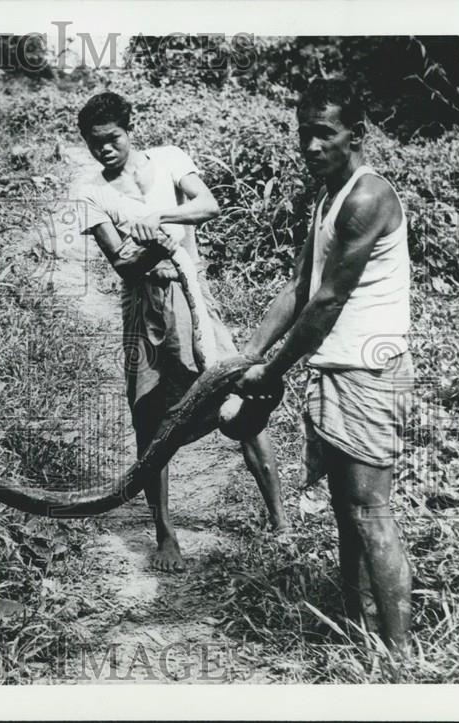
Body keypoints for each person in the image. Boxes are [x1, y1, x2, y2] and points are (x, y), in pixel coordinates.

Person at [73, 92, 287, 573]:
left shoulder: (169, 161)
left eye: (113, 139)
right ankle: (165, 533)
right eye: (94, 143)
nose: (105, 149)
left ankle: (279, 521)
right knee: (149, 419)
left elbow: (207, 205)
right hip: (143, 308)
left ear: (130, 130)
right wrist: (151, 247)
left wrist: (157, 220)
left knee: (241, 393)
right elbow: (124, 264)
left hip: (193, 299)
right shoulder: (92, 193)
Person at [235, 77, 413, 655]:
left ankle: (402, 657)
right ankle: (362, 636)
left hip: (366, 372)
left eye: (323, 134)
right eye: (303, 134)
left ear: (355, 136)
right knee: (347, 512)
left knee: (370, 513)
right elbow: (298, 285)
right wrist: (250, 354)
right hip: (337, 371)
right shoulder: (326, 197)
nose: (310, 146)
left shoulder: (367, 196)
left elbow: (328, 301)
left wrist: (274, 368)